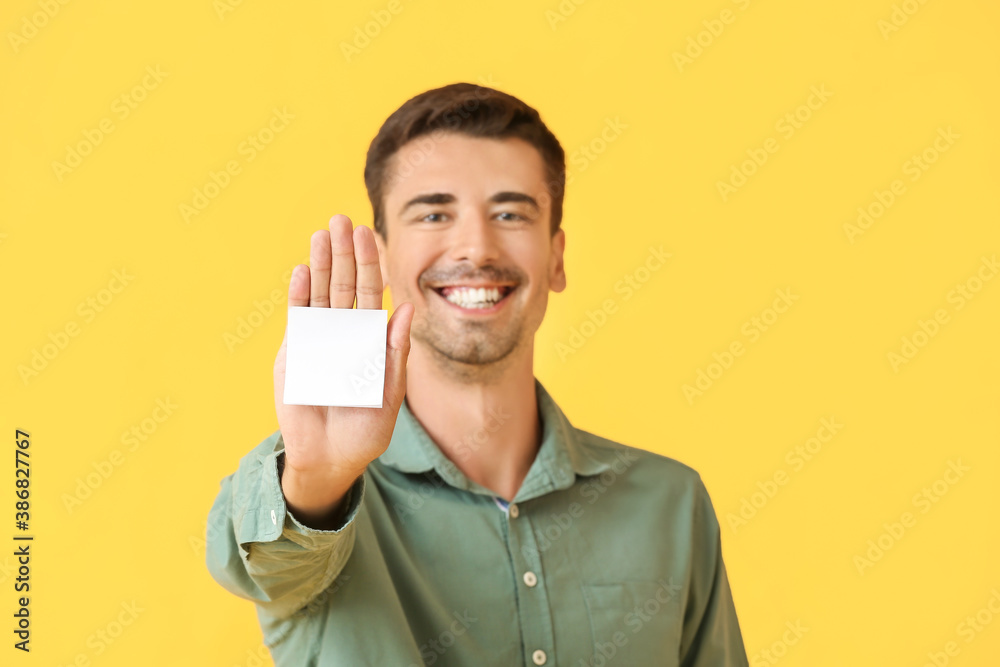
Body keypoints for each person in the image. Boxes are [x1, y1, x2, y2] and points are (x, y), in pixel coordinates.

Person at [205, 82, 749, 666]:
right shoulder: (324, 489)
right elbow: (260, 565)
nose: (476, 247)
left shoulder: (672, 504)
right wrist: (318, 480)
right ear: (383, 258)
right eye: (434, 213)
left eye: (510, 213)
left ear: (556, 257)